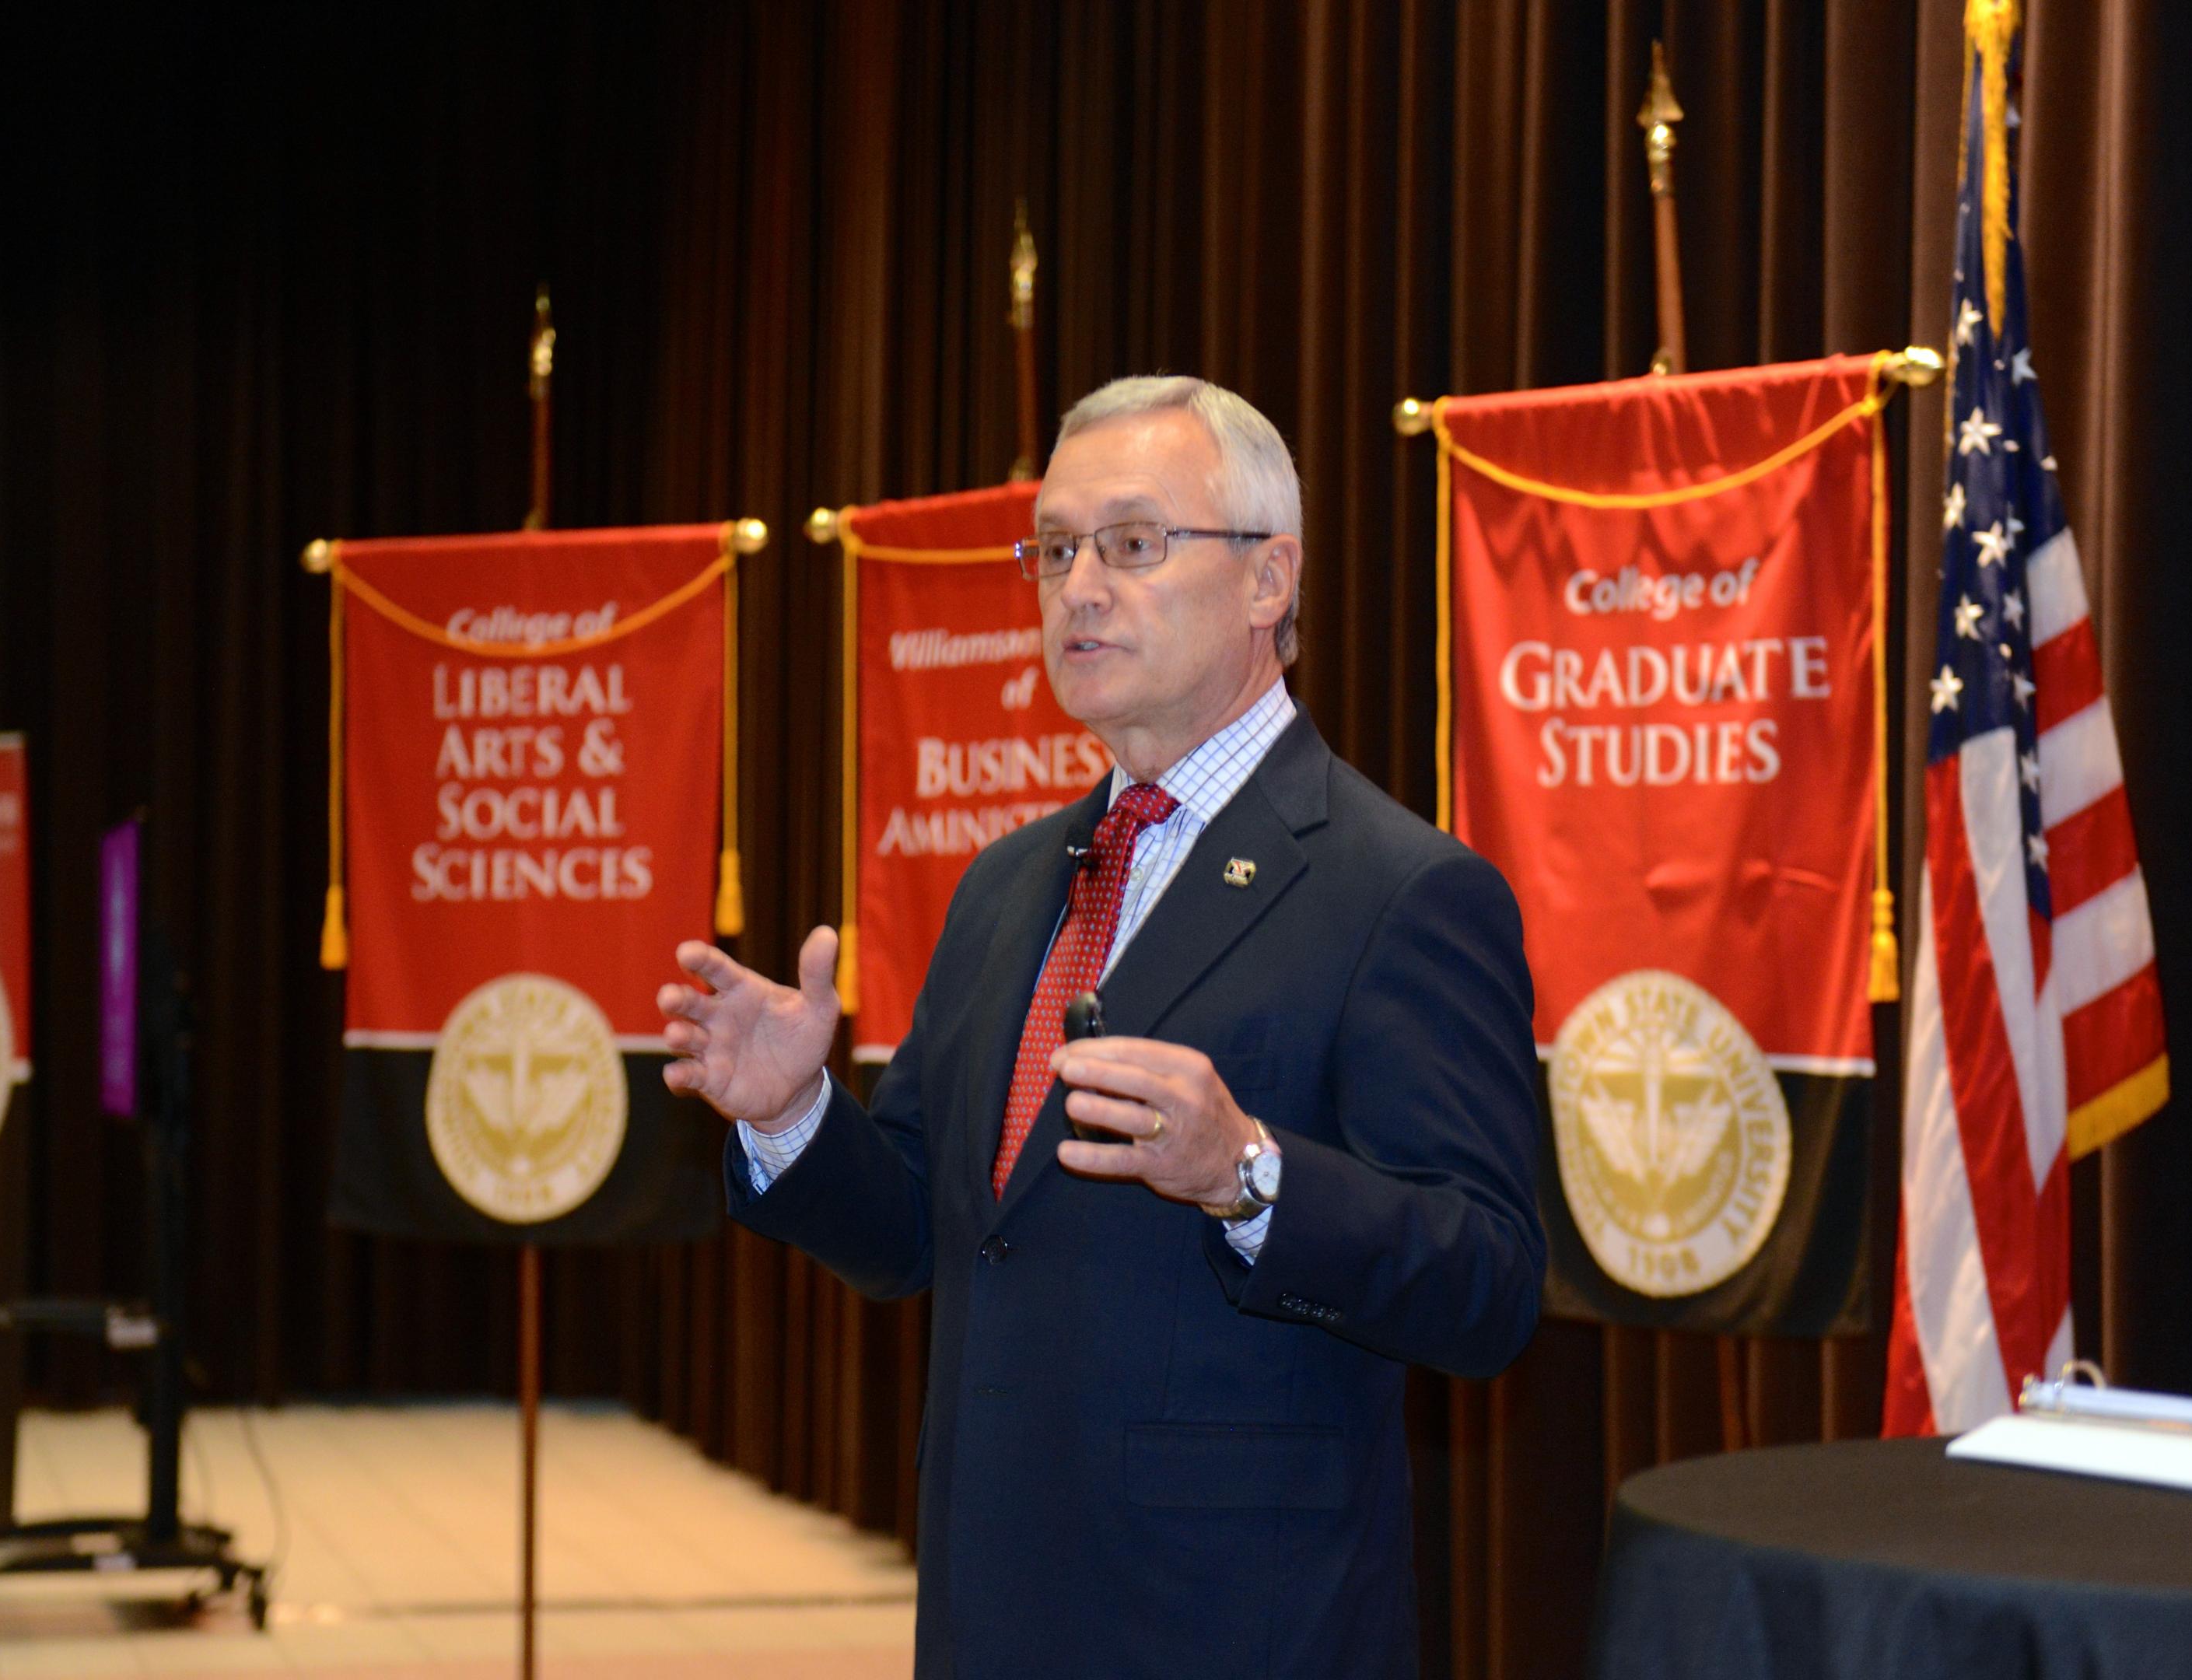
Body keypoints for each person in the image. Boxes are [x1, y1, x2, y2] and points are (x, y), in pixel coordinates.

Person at [659, 376, 1542, 1678]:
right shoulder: (1008, 882)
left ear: (1267, 581)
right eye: (1055, 550)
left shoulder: (1401, 890)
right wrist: (794, 1116)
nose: (1079, 587)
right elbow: (924, 1233)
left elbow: (1488, 1286)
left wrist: (1250, 1175)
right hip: (991, 1600)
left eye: (1132, 545)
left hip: (1232, 1626)